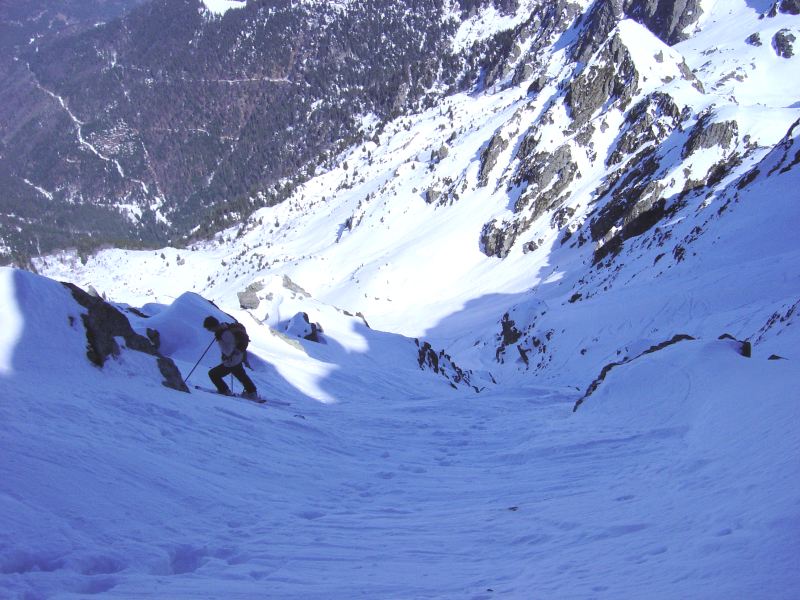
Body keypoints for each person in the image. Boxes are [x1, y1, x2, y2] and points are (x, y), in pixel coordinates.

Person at [203, 316, 258, 399]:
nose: (208, 330)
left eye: (208, 328)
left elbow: (229, 349)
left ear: (212, 326)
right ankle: (252, 392)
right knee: (240, 374)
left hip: (232, 360)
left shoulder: (224, 333)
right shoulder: (224, 330)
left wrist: (226, 355)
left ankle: (224, 391)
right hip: (236, 358)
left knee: (213, 374)